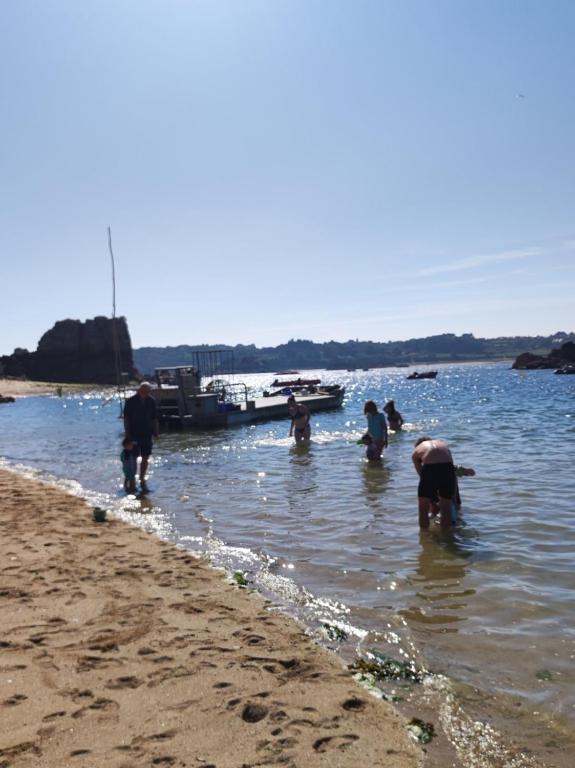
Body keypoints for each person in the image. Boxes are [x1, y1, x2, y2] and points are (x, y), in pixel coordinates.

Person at [412, 437, 475, 529]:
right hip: (447, 468)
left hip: (431, 469)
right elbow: (449, 467)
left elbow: (422, 475)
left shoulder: (416, 451)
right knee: (446, 506)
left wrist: (430, 496)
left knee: (423, 507)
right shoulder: (442, 445)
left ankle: (425, 535)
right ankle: (447, 537)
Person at [123, 382, 159, 493]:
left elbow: (154, 418)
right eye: (143, 390)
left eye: (147, 391)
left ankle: (142, 479)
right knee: (131, 459)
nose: (145, 393)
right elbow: (126, 418)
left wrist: (156, 432)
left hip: (147, 433)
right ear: (139, 390)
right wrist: (127, 433)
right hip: (133, 434)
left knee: (145, 458)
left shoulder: (151, 401)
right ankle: (130, 480)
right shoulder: (130, 401)